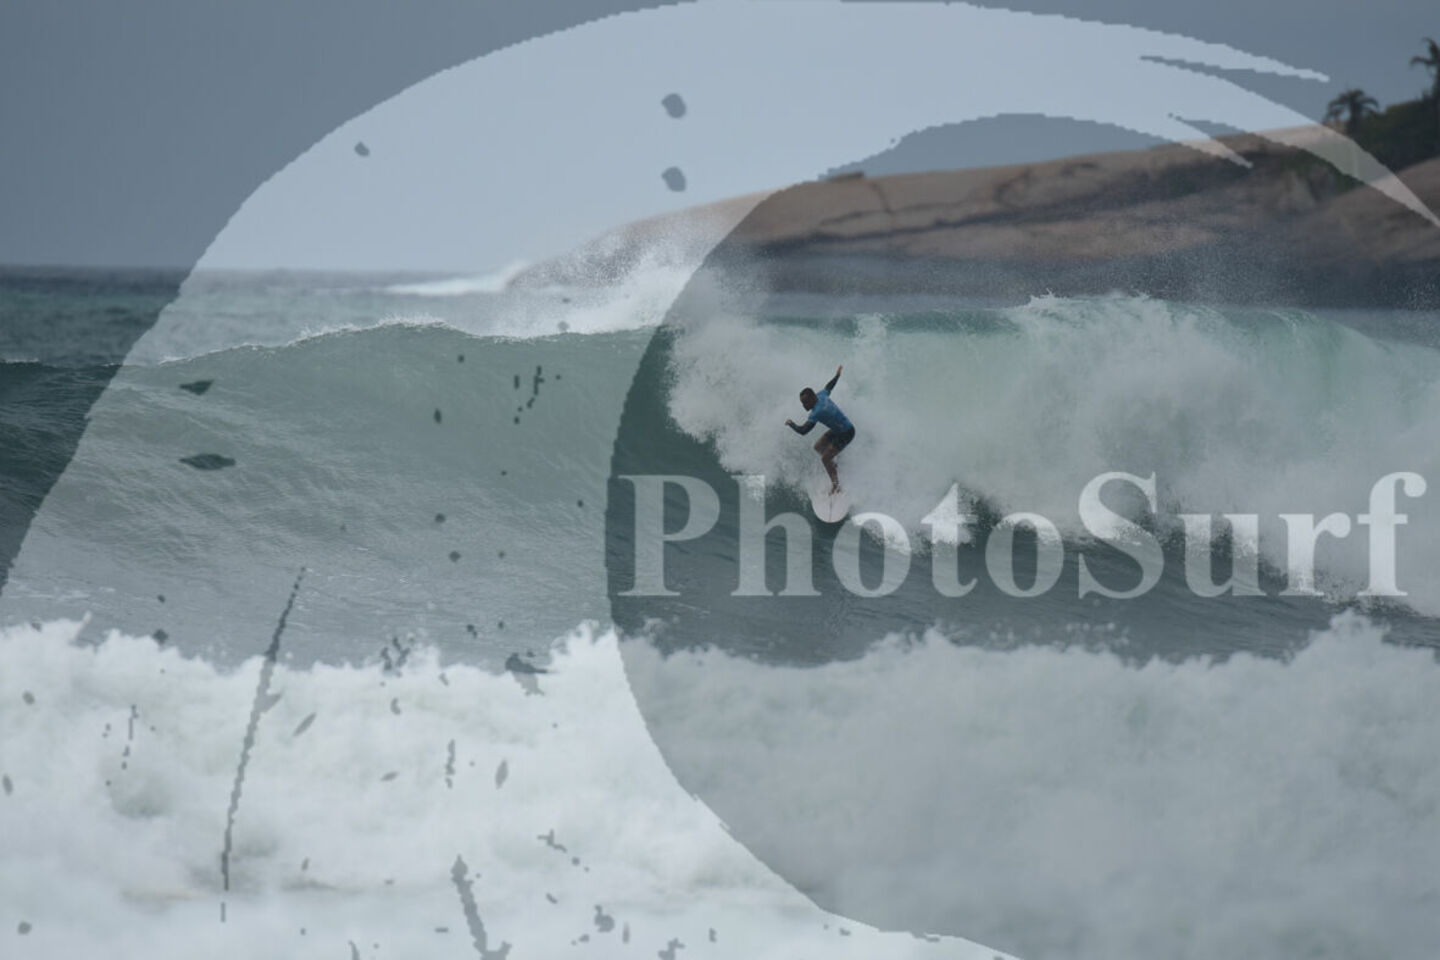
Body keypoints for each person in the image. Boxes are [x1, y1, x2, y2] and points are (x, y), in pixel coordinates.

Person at [785, 364, 854, 494]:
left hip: (847, 433)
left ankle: (836, 486)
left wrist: (791, 423)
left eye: (805, 402)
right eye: (802, 402)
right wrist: (837, 375)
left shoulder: (817, 412)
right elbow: (829, 386)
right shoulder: (821, 395)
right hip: (839, 429)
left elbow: (803, 431)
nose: (803, 405)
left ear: (812, 399)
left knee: (825, 458)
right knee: (818, 447)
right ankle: (834, 464)